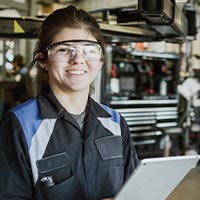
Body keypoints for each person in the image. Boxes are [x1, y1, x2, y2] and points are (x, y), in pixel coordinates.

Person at [0, 5, 139, 200]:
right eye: (64, 49)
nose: (78, 59)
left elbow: (133, 191)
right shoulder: (20, 126)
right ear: (42, 59)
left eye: (90, 50)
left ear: (100, 60)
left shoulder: (115, 123)